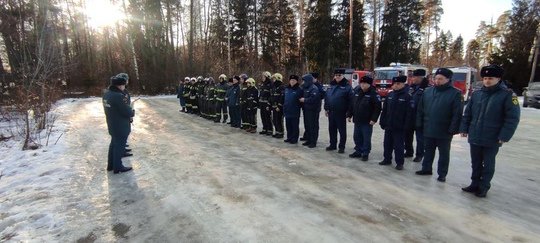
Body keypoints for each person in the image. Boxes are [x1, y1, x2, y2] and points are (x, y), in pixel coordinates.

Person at [459, 64, 520, 197]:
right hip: (475, 134)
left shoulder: (507, 95)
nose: (487, 81)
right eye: (485, 78)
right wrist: (464, 128)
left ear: (498, 79)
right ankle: (474, 183)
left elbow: (512, 118)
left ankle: (484, 186)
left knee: (488, 163)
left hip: (492, 136)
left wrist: (504, 135)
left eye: (490, 78)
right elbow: (468, 113)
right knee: (475, 162)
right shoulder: (477, 94)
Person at [415, 68, 463, 182]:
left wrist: (453, 129)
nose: (437, 81)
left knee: (444, 154)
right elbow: (420, 109)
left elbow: (457, 113)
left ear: (448, 79)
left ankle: (442, 173)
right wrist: (419, 124)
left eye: (440, 79)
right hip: (428, 127)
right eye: (435, 78)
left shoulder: (455, 93)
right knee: (428, 150)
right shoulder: (427, 92)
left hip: (444, 130)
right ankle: (426, 168)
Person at [379, 75, 413, 170]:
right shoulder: (390, 95)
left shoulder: (407, 96)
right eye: (395, 83)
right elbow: (384, 110)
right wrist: (382, 121)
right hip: (389, 125)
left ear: (403, 84)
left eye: (398, 84)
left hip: (400, 127)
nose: (396, 85)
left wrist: (406, 126)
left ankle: (399, 163)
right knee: (387, 143)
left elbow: (409, 113)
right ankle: (387, 159)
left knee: (399, 145)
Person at [103, 76, 134, 174]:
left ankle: (111, 165)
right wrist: (132, 111)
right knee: (119, 147)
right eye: (124, 85)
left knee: (113, 145)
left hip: (112, 124)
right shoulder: (118, 96)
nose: (125, 87)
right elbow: (126, 111)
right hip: (120, 125)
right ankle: (118, 166)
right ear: (120, 85)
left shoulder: (107, 94)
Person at [348, 76, 382, 161]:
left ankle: (365, 153)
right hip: (357, 119)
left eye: (365, 83)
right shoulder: (357, 92)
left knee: (366, 138)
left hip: (367, 121)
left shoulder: (374, 94)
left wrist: (374, 119)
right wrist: (349, 114)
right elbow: (353, 104)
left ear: (369, 84)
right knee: (356, 136)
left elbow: (377, 108)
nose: (362, 85)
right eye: (361, 83)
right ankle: (358, 151)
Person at [324, 68, 353, 154]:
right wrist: (326, 108)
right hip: (331, 112)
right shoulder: (331, 85)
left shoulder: (347, 87)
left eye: (339, 75)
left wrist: (349, 112)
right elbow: (327, 97)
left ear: (343, 76)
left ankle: (341, 146)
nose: (337, 77)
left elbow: (351, 101)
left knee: (342, 131)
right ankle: (332, 144)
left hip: (341, 112)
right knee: (332, 129)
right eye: (336, 75)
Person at [405, 70, 427, 161]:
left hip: (420, 116)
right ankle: (409, 151)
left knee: (420, 138)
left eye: (415, 77)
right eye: (412, 77)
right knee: (408, 135)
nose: (412, 79)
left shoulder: (427, 89)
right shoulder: (411, 87)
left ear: (421, 78)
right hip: (410, 116)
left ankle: (419, 154)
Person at [300, 72, 325, 141]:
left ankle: (313, 140)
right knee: (307, 124)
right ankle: (308, 137)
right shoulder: (306, 86)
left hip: (314, 108)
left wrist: (305, 100)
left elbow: (318, 97)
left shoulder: (316, 87)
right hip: (306, 107)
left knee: (313, 125)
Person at [283, 75, 303, 144]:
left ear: (296, 81)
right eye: (291, 80)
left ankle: (294, 139)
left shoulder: (299, 89)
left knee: (294, 126)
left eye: (294, 80)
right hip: (287, 110)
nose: (292, 81)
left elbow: (301, 101)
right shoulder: (287, 89)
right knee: (288, 125)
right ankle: (289, 137)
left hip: (295, 111)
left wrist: (298, 106)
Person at [259, 71, 274, 135]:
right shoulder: (262, 84)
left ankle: (270, 130)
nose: (262, 77)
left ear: (267, 77)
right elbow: (260, 93)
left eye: (264, 76)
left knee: (267, 117)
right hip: (262, 103)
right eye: (262, 76)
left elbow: (271, 95)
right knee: (263, 116)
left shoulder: (270, 84)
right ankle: (264, 128)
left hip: (267, 103)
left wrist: (269, 103)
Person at [270, 73, 285, 138]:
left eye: (274, 78)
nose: (273, 80)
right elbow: (272, 96)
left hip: (279, 107)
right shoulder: (274, 87)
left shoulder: (282, 87)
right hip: (274, 106)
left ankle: (281, 133)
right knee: (275, 120)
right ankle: (277, 132)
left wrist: (279, 106)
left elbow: (282, 97)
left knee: (279, 120)